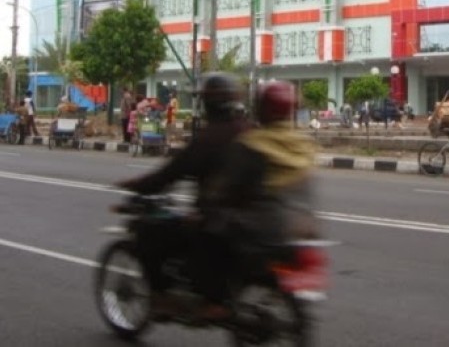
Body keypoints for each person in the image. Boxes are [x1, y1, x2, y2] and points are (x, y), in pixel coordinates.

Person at [115, 73, 251, 318]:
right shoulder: (250, 131)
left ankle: (162, 297)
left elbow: (170, 173)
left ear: (208, 104)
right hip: (253, 218)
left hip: (217, 221)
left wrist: (139, 185)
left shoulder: (209, 138)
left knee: (151, 231)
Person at [194, 80, 319, 320]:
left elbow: (226, 185)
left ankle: (214, 301)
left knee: (208, 232)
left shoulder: (253, 144)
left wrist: (210, 199)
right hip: (303, 229)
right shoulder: (303, 144)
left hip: (263, 229)